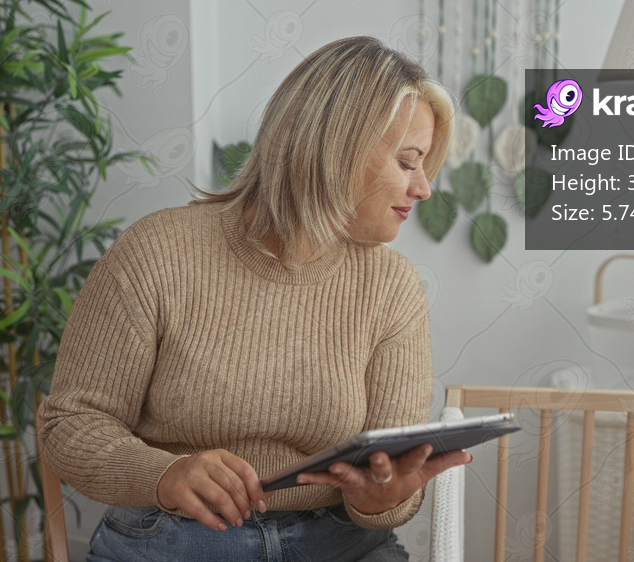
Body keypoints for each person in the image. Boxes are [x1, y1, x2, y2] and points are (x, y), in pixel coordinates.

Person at [37, 35, 471, 561]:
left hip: (340, 544)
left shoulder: (391, 286)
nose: (424, 188)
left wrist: (384, 498)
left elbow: (388, 484)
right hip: (178, 538)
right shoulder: (156, 252)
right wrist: (165, 473)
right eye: (407, 162)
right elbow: (71, 425)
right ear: (337, 150)